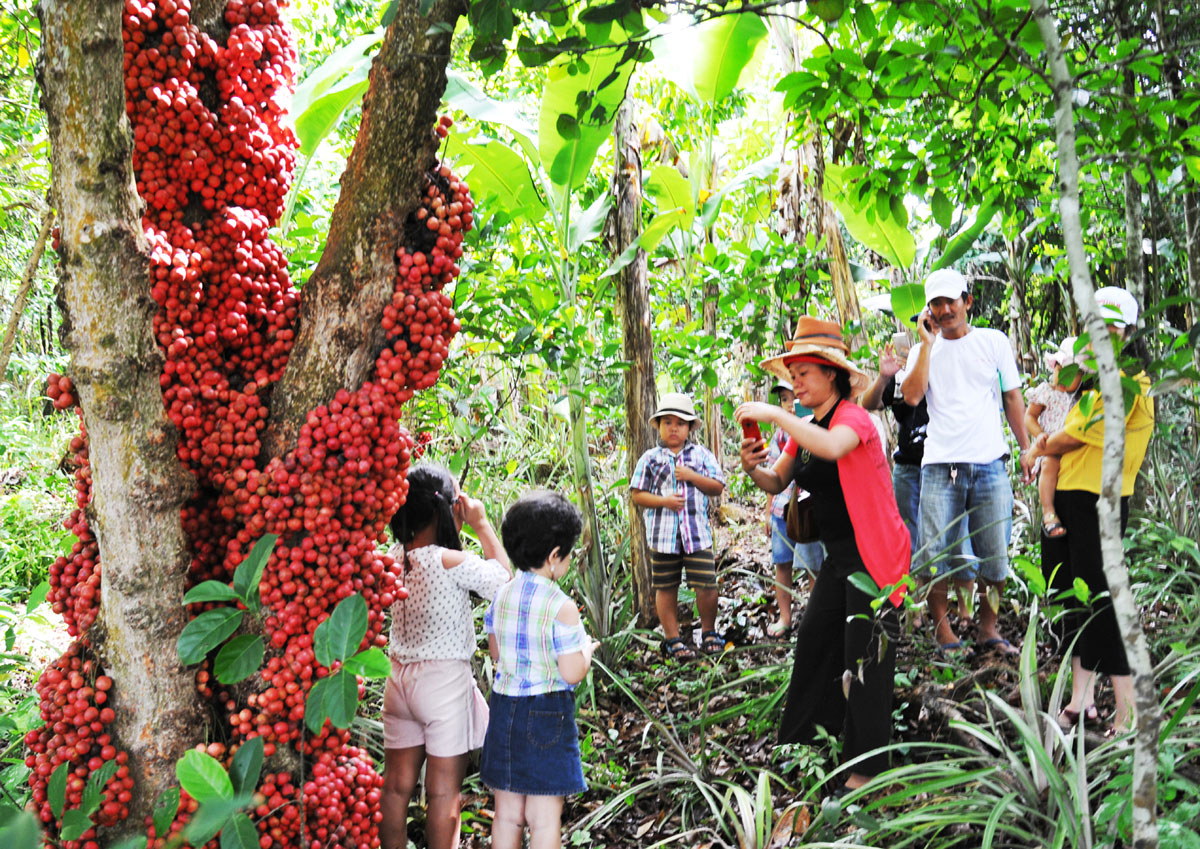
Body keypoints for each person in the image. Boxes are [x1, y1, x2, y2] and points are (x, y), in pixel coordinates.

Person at [736, 316, 910, 794]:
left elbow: (834, 448)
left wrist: (776, 415)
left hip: (875, 555)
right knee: (815, 640)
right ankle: (806, 743)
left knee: (867, 658)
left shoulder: (854, 419)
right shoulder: (805, 428)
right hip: (839, 557)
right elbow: (776, 481)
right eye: (791, 377)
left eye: (803, 375)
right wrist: (753, 467)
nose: (795, 384)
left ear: (831, 375)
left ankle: (867, 770)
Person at [1032, 287, 1153, 735]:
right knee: (1074, 599)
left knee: (1102, 603)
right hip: (1068, 495)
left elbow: (1069, 436)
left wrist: (1035, 449)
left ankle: (1129, 712)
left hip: (1097, 501)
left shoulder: (1127, 380)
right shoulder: (1096, 375)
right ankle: (1081, 700)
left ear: (1127, 333)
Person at [901, 268, 1034, 655]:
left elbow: (1012, 398)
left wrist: (1025, 447)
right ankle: (945, 634)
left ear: (967, 302)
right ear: (928, 309)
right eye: (936, 303)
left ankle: (988, 629)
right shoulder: (922, 351)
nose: (944, 310)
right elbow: (911, 396)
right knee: (935, 555)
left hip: (989, 463)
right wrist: (926, 345)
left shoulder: (993, 342)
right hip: (940, 464)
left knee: (995, 554)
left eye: (951, 301)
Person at [381, 465, 512, 849]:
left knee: (394, 790)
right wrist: (482, 523)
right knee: (442, 796)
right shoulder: (448, 561)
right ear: (446, 510)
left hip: (398, 682)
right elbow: (504, 582)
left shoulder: (393, 558)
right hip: (442, 686)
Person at [480, 491, 597, 849]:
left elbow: (496, 652)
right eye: (568, 554)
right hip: (545, 714)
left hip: (503, 712)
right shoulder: (561, 607)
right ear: (552, 557)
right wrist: (587, 652)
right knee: (544, 819)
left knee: (507, 814)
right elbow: (573, 672)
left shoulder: (502, 594)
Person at [630, 393, 727, 659]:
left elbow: (717, 486)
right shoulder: (650, 458)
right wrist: (663, 501)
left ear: (689, 428)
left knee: (706, 584)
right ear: (659, 426)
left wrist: (692, 476)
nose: (674, 428)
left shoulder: (701, 455)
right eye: (668, 422)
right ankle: (672, 638)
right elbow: (637, 493)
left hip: (696, 535)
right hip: (663, 537)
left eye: (680, 423)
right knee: (666, 586)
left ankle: (708, 632)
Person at [763, 380, 825, 637]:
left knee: (813, 565)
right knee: (782, 563)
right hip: (781, 508)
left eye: (793, 398)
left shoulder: (817, 430)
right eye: (784, 400)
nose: (789, 405)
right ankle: (785, 617)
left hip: (807, 509)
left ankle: (816, 616)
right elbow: (772, 473)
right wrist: (767, 511)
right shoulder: (779, 436)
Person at [861, 332, 929, 551]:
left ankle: (937, 583)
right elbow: (869, 402)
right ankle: (913, 584)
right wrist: (884, 377)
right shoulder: (901, 377)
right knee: (908, 535)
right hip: (908, 464)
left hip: (942, 463)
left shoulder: (946, 370)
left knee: (939, 531)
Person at [1024, 336, 1085, 538]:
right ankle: (1048, 512)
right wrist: (1039, 434)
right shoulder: (1046, 392)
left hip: (1068, 450)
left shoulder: (1081, 399)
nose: (1064, 379)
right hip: (1048, 448)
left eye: (1072, 375)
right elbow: (1029, 417)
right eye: (1061, 372)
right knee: (1050, 463)